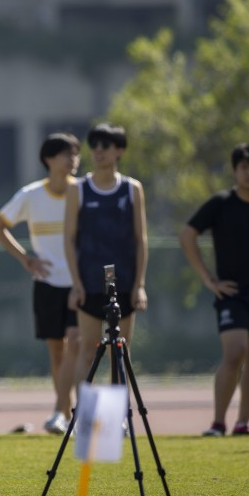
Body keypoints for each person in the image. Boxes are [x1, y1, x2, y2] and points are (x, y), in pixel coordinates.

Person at [0, 132, 82, 435]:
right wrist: (26, 259)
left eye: (76, 154)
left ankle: (75, 411)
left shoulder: (82, 192)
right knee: (57, 350)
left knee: (78, 344)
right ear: (49, 160)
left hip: (79, 284)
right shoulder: (31, 195)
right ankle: (63, 414)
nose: (73, 160)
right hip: (46, 283)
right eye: (67, 154)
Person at [180, 143, 249, 437]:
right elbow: (188, 235)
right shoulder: (221, 203)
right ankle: (217, 422)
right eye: (244, 167)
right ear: (235, 170)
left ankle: (242, 423)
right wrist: (208, 280)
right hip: (232, 294)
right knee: (235, 352)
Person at [63, 122, 148, 387]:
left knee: (119, 351)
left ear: (119, 150)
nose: (99, 151)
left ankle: (118, 417)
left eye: (106, 146)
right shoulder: (78, 189)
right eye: (95, 146)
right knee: (88, 351)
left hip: (123, 280)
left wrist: (139, 285)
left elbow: (140, 239)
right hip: (89, 282)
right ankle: (85, 417)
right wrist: (76, 284)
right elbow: (69, 238)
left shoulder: (132, 189)